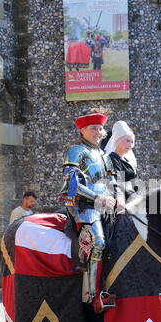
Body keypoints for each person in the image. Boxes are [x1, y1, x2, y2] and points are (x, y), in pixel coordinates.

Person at [60, 108, 118, 303]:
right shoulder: (76, 151)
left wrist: (120, 199)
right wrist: (99, 199)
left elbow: (113, 182)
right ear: (83, 131)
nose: (99, 133)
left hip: (107, 205)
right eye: (94, 128)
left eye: (101, 129)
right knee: (98, 243)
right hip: (83, 204)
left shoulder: (105, 155)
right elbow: (72, 184)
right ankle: (93, 295)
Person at [104, 120, 137, 200]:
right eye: (127, 141)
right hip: (121, 200)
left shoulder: (126, 160)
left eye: (132, 142)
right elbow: (119, 184)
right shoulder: (113, 159)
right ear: (118, 141)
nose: (130, 145)